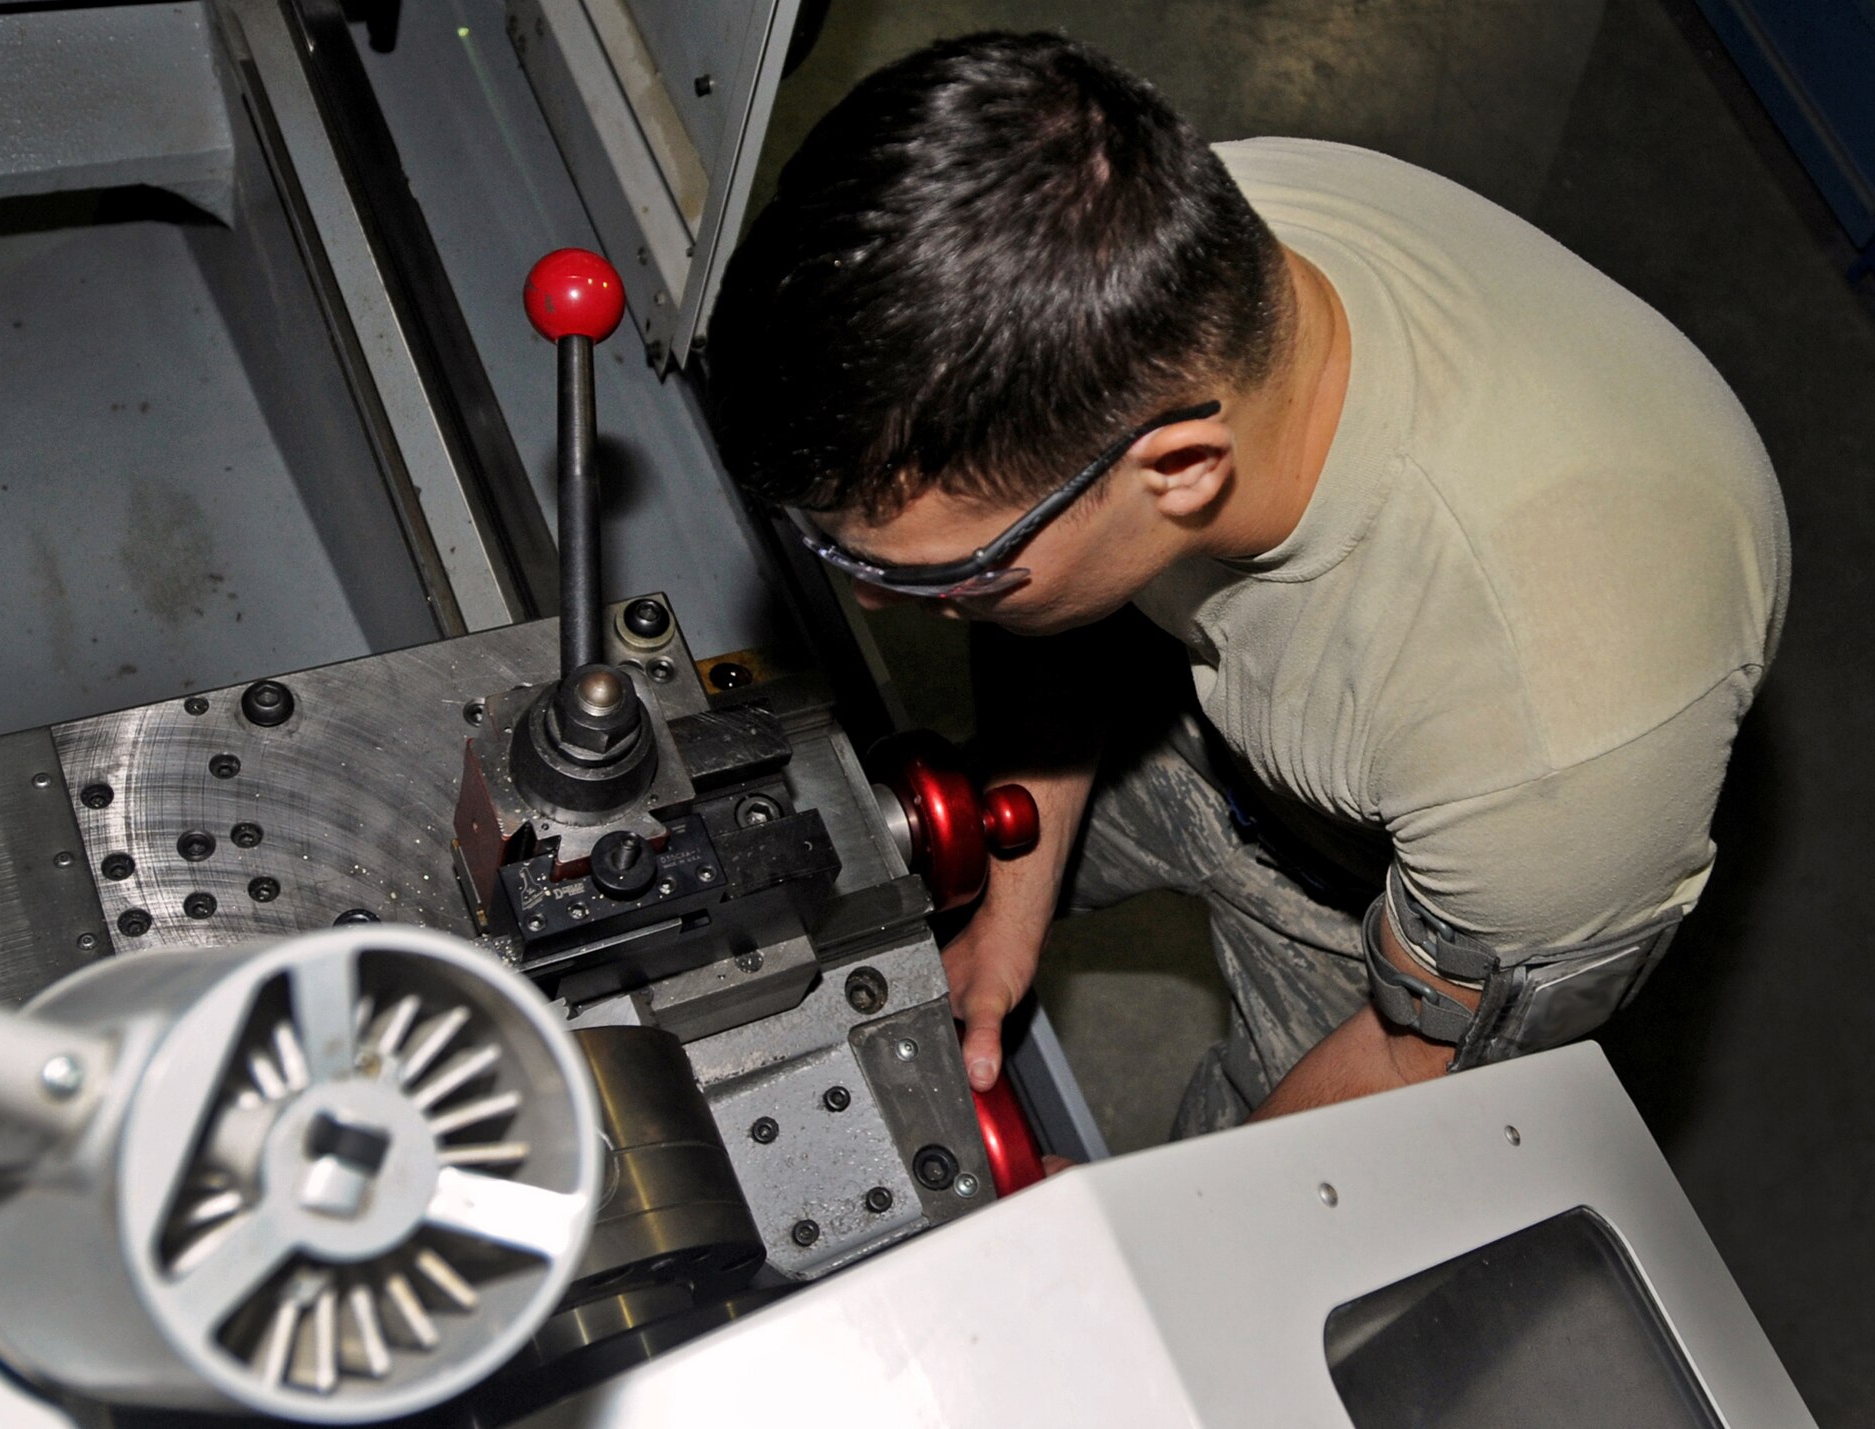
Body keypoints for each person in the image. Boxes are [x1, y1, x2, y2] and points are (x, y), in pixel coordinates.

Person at [706, 32, 1788, 1134]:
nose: (879, 604)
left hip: (1374, 894)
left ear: (1177, 468)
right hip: (1181, 684)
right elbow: (1040, 587)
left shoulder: (1554, 737)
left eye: (946, 575)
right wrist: (1010, 902)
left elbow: (1408, 1062)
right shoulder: (1127, 261)